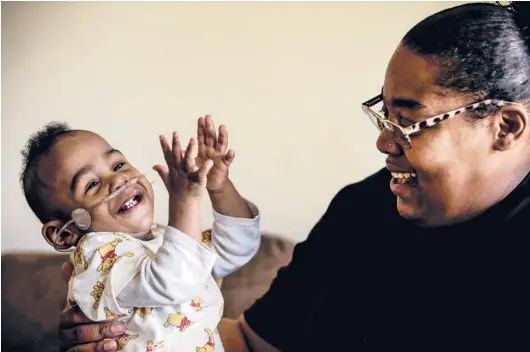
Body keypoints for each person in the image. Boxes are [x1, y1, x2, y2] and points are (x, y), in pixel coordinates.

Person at [57, 2, 530, 351]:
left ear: (505, 127)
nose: (385, 144)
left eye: (407, 121)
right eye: (382, 117)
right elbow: (250, 341)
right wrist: (121, 336)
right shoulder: (364, 210)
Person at [20, 116, 261, 351]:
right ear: (63, 233)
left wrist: (219, 187)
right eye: (92, 184)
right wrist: (184, 202)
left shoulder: (164, 240)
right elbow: (174, 279)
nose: (117, 180)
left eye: (118, 165)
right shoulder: (98, 259)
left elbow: (235, 248)